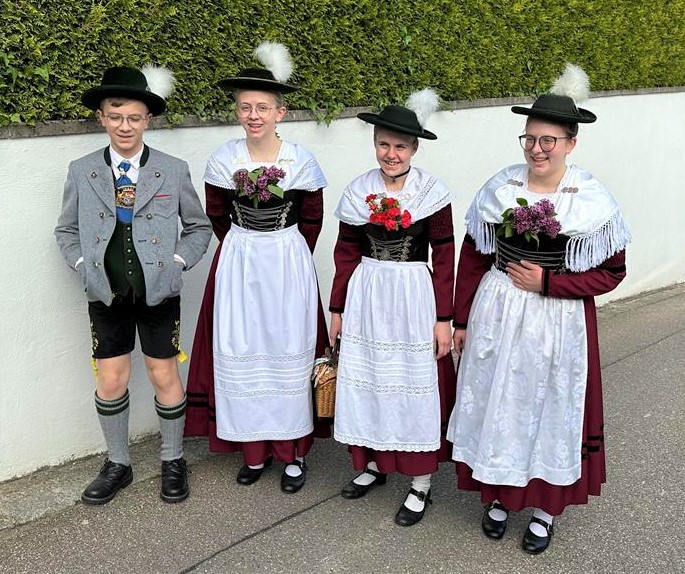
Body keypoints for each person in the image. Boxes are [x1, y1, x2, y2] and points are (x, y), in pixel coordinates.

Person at [446, 65, 631, 553]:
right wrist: (461, 318)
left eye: (549, 140)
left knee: (548, 406)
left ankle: (545, 510)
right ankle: (500, 497)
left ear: (571, 143)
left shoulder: (591, 199)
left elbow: (612, 272)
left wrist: (549, 282)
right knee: (500, 401)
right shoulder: (501, 187)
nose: (537, 149)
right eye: (529, 139)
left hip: (557, 320)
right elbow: (474, 256)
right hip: (497, 313)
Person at [54, 65, 213, 505]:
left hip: (158, 292)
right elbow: (66, 230)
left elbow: (199, 227)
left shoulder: (171, 169)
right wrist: (84, 265)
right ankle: (118, 463)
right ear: (102, 118)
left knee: (164, 372)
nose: (125, 126)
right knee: (111, 378)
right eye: (115, 116)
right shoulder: (82, 170)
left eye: (134, 118)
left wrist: (177, 263)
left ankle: (173, 459)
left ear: (148, 120)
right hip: (106, 292)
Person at [183, 42, 328, 494]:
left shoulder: (300, 160)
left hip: (286, 261)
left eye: (263, 107)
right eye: (246, 107)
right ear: (237, 111)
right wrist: (246, 247)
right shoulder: (224, 159)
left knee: (288, 347)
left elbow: (312, 219)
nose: (254, 115)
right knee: (242, 346)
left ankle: (292, 453)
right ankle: (253, 451)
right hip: (240, 261)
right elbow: (216, 214)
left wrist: (285, 253)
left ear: (280, 112)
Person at [329, 90, 456, 527]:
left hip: (413, 296)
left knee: (409, 381)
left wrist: (444, 319)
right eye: (383, 144)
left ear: (414, 148)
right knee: (372, 380)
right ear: (374, 144)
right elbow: (345, 253)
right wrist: (337, 309)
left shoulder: (432, 193)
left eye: (400, 146)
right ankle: (373, 464)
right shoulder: (358, 191)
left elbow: (445, 259)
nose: (391, 154)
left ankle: (420, 483)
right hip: (367, 294)